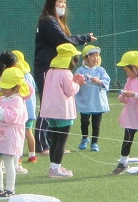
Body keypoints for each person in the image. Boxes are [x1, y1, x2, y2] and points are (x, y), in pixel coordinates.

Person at [32, 0, 94, 151]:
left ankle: (53, 144)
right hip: (46, 69)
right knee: (47, 104)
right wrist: (84, 38)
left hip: (57, 69)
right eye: (60, 1)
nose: (63, 5)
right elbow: (64, 41)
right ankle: (42, 145)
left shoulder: (57, 21)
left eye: (64, 2)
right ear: (51, 3)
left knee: (55, 105)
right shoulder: (47, 21)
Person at [39, 42, 85, 178]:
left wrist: (73, 81)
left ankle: (53, 166)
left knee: (54, 139)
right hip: (62, 111)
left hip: (50, 110)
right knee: (61, 140)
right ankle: (56, 169)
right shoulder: (66, 72)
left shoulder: (50, 71)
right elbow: (70, 91)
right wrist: (78, 83)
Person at [0, 66, 30, 199]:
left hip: (10, 139)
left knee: (9, 164)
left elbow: (11, 117)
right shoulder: (1, 99)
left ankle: (10, 189)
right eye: (3, 87)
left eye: (7, 87)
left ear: (16, 87)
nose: (3, 90)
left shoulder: (18, 100)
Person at [75, 44, 110, 152]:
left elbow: (106, 82)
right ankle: (85, 138)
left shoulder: (100, 70)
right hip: (85, 101)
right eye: (93, 55)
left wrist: (99, 81)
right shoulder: (80, 70)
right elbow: (75, 82)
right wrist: (81, 80)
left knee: (96, 124)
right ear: (86, 58)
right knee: (84, 121)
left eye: (97, 55)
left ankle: (94, 143)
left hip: (98, 102)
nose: (96, 58)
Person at [11, 50, 37, 170]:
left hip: (21, 111)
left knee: (19, 135)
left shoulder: (17, 75)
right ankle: (32, 155)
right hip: (31, 111)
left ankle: (18, 157)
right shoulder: (29, 75)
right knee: (29, 132)